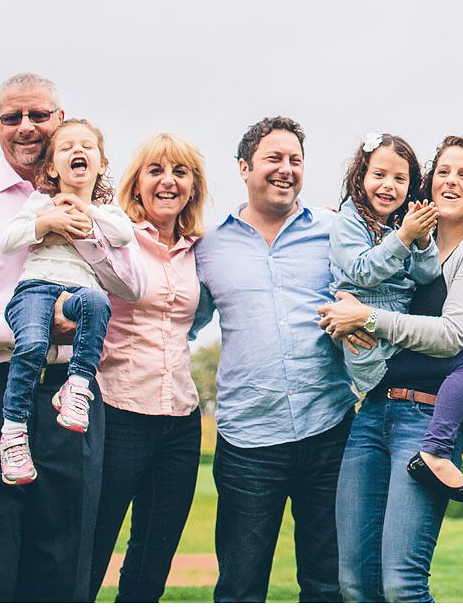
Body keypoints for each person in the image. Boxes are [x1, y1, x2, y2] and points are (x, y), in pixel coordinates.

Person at [0, 72, 145, 602]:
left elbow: (132, 285)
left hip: (72, 395)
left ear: (60, 121)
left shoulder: (99, 206)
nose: (26, 127)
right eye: (11, 117)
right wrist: (30, 332)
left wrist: (81, 226)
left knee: (62, 572)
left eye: (39, 115)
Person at [320, 134, 463, 602]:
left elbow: (451, 336)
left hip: (426, 420)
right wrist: (339, 317)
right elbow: (351, 281)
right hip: (372, 412)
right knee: (354, 584)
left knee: (402, 585)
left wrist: (365, 318)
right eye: (443, 171)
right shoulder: (398, 240)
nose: (451, 181)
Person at [193, 115, 351, 602]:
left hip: (329, 429)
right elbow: (180, 320)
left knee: (328, 584)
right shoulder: (208, 244)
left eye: (295, 161)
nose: (286, 170)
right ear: (244, 167)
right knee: (240, 586)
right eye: (273, 159)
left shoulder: (334, 230)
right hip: (247, 440)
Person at [87, 132, 209, 602]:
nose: (168, 181)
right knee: (93, 546)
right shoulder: (114, 238)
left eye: (180, 172)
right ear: (136, 183)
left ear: (193, 187)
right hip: (118, 411)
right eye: (155, 171)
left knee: (153, 560)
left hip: (180, 420)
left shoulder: (200, 249)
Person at [327, 132, 463, 497]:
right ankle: (437, 451)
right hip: (372, 349)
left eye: (400, 179)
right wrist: (402, 239)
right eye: (379, 175)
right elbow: (361, 272)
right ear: (360, 177)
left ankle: (438, 449)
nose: (388, 186)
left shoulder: (400, 224)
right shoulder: (348, 221)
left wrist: (423, 240)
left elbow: (426, 275)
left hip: (388, 339)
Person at [0, 118, 137, 484]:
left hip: (77, 292)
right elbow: (8, 240)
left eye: (87, 146)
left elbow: (123, 234)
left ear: (101, 164)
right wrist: (47, 221)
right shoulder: (40, 201)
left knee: (97, 303)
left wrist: (84, 208)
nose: (78, 151)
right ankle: (13, 432)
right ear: (52, 167)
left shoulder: (108, 211)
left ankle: (76, 386)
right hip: (35, 289)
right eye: (67, 147)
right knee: (32, 345)